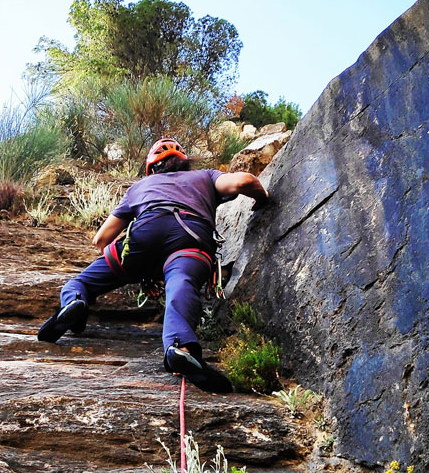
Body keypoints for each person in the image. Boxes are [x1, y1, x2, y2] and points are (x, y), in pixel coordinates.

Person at [37, 137, 269, 393]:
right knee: (181, 284)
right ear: (184, 162)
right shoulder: (205, 176)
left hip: (144, 236)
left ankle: (75, 301)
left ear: (151, 168)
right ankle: (180, 348)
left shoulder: (139, 186)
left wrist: (137, 269)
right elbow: (244, 181)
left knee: (82, 282)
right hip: (189, 237)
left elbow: (101, 239)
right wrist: (262, 199)